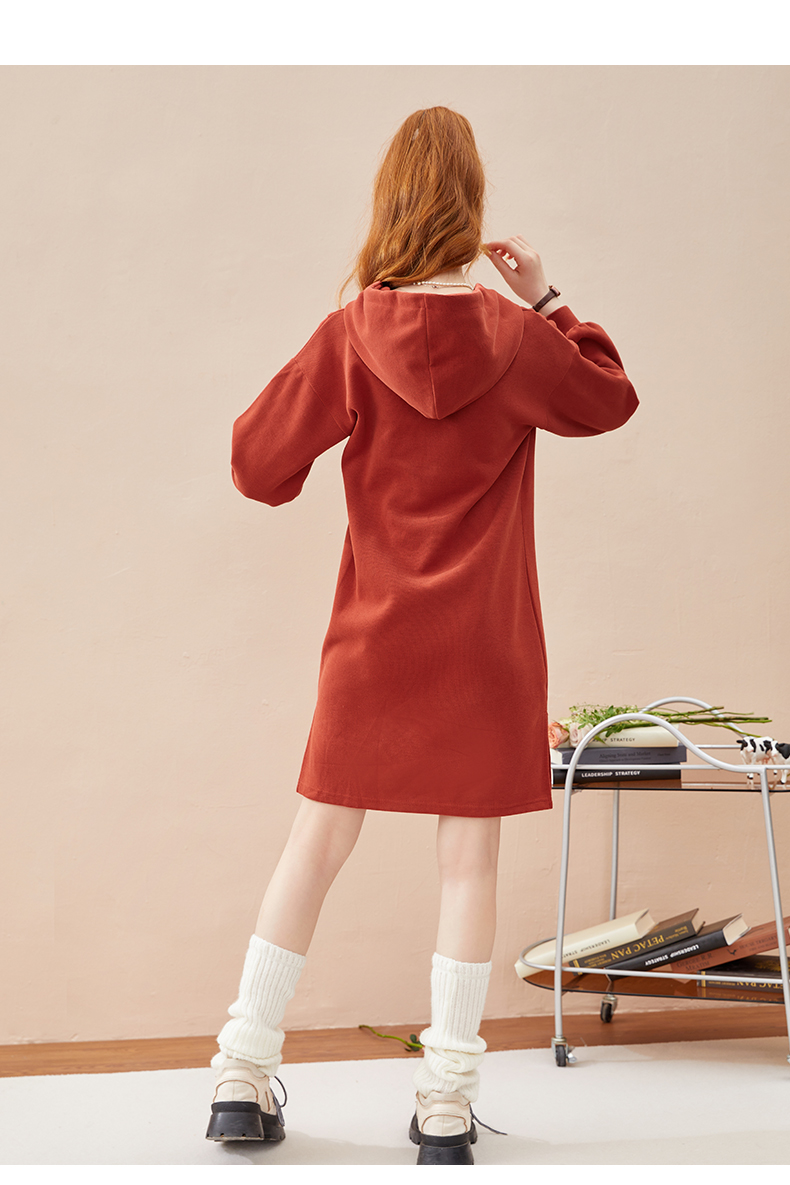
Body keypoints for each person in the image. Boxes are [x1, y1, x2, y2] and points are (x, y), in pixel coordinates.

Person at [205, 106, 638, 1165]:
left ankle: (240, 1075)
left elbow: (257, 465)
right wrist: (547, 299)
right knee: (467, 863)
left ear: (390, 205)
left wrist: (332, 367)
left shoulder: (353, 333)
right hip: (484, 651)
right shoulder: (516, 338)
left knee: (315, 844)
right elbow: (610, 399)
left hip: (374, 641)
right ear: (470, 209)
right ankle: (445, 1103)